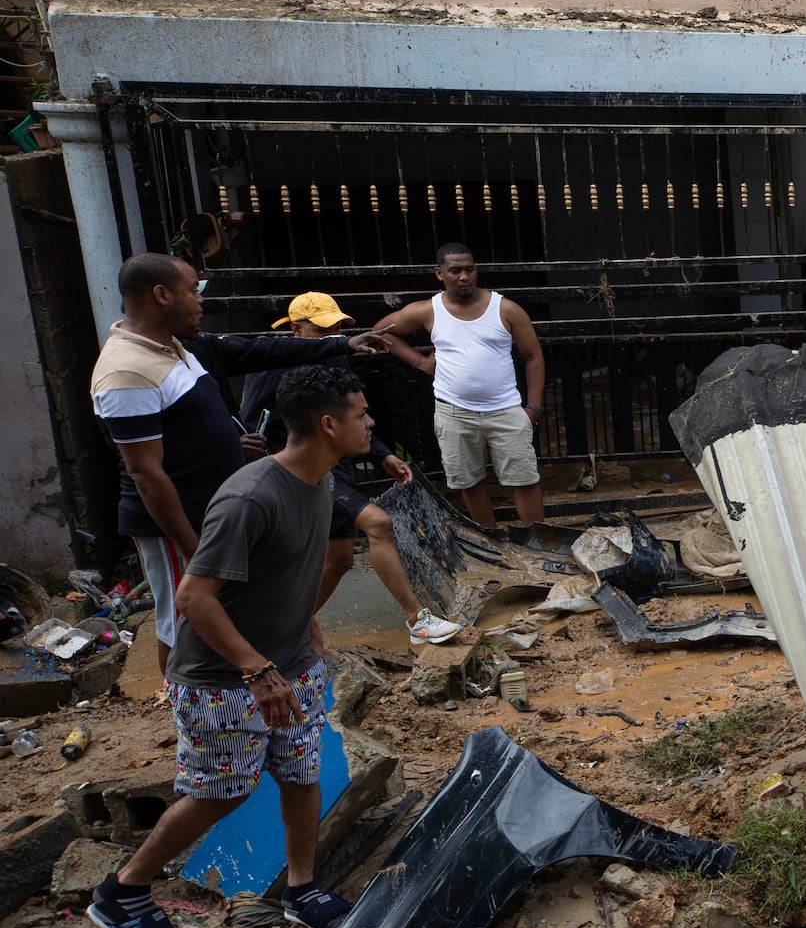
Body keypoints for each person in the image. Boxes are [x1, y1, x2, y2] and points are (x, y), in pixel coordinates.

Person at [88, 364, 376, 928]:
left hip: (289, 666)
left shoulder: (321, 480)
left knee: (302, 776)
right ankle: (125, 888)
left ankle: (301, 888)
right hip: (224, 680)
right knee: (220, 792)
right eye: (361, 414)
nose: (371, 422)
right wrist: (257, 670)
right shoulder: (250, 497)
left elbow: (288, 573)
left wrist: (303, 628)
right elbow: (194, 599)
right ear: (328, 424)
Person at [89, 254, 385, 670]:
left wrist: (340, 343)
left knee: (229, 608)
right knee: (184, 618)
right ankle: (186, 708)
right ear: (161, 295)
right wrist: (192, 547)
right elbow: (145, 473)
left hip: (215, 510)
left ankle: (235, 693)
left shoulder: (177, 347)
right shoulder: (126, 371)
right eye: (193, 290)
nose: (200, 301)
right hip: (179, 522)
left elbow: (254, 351)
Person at [242, 291, 462, 647]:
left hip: (338, 465)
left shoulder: (335, 356)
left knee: (340, 558)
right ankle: (416, 619)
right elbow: (254, 421)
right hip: (306, 471)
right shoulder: (272, 365)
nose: (332, 337)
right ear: (297, 330)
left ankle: (289, 625)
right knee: (378, 523)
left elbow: (354, 417)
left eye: (336, 329)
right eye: (322, 331)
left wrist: (383, 455)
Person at [369, 242, 548, 537]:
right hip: (454, 413)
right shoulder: (429, 310)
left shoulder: (505, 309)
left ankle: (538, 543)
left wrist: (532, 408)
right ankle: (491, 543)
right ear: (440, 273)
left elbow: (533, 356)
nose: (464, 276)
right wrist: (421, 362)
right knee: (468, 481)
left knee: (525, 479)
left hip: (505, 410)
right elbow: (381, 332)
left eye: (470, 269)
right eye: (455, 271)